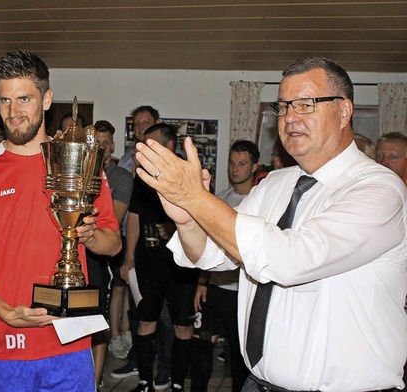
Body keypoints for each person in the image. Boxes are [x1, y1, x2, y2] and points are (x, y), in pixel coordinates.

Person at [134, 57, 407, 391]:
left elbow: (288, 260)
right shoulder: (275, 184)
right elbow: (214, 255)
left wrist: (196, 198)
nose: (290, 117)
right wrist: (188, 220)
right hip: (259, 383)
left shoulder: (378, 189)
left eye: (306, 105)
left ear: (344, 111)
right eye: (283, 107)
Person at [0, 50, 121, 392]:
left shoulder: (80, 163)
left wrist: (88, 234)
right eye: (5, 100)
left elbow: (113, 244)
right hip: (4, 345)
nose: (13, 112)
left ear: (47, 99)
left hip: (70, 343)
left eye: (24, 98)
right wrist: (6, 312)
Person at [121, 123, 196, 392]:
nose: (146, 149)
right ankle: (145, 382)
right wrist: (129, 256)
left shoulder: (189, 173)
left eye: (151, 144)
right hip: (147, 263)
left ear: (169, 145)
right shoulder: (143, 176)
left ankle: (177, 383)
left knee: (182, 327)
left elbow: (203, 218)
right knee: (145, 321)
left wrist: (176, 228)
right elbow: (135, 217)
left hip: (182, 265)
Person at [193, 140, 257, 392]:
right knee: (202, 343)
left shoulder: (260, 200)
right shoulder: (221, 199)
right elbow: (208, 245)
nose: (235, 168)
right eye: (232, 162)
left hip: (242, 291)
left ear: (254, 167)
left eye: (242, 163)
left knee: (239, 353)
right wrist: (201, 282)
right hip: (216, 287)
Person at [89, 119, 133, 387]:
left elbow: (112, 222)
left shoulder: (121, 177)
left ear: (112, 146)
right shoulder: (80, 173)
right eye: (96, 143)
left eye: (105, 143)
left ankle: (94, 381)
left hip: (103, 254)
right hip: (76, 256)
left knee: (96, 319)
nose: (101, 148)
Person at [118, 106, 160, 172]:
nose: (141, 127)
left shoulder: (171, 155)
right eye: (137, 124)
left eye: (146, 123)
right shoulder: (126, 160)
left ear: (157, 123)